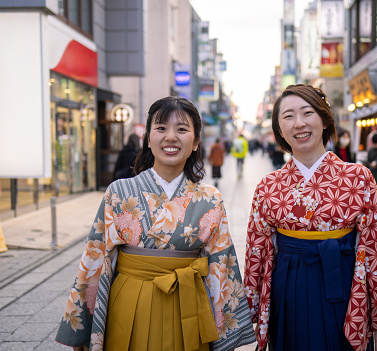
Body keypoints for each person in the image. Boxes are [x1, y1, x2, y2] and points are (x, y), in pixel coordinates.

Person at [55, 96, 256, 351]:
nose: (170, 137)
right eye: (161, 128)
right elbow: (96, 258)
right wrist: (84, 328)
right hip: (129, 303)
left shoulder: (210, 199)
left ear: (195, 142)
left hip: (189, 305)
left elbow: (221, 266)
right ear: (148, 139)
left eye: (182, 129)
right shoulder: (119, 192)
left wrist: (225, 332)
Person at [243, 84, 377, 351]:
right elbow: (257, 251)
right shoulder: (268, 185)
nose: (299, 123)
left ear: (324, 119)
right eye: (288, 116)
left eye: (307, 112)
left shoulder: (359, 177)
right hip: (288, 288)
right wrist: (253, 313)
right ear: (279, 130)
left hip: (345, 284)